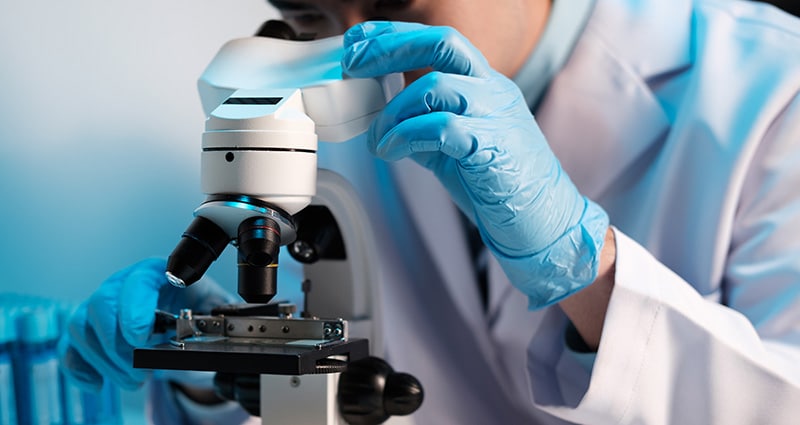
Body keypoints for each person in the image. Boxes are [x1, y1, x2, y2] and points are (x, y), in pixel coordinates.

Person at [59, 0, 800, 423]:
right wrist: (208, 370)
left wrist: (590, 273)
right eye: (314, 14)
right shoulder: (330, 103)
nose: (355, 51)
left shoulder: (775, 93)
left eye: (390, 10)